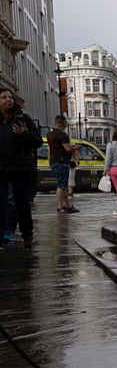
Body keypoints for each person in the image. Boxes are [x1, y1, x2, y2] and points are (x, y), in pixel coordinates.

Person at [0, 89, 41, 249]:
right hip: (2, 168)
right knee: (3, 203)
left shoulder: (23, 119)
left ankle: (27, 235)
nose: (8, 100)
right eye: (4, 97)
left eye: (10, 97)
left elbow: (37, 141)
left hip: (20, 168)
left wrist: (25, 133)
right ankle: (4, 235)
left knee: (21, 203)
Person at [46, 115, 78, 214]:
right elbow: (67, 149)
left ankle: (67, 206)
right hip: (62, 162)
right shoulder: (63, 135)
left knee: (63, 185)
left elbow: (52, 148)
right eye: (65, 123)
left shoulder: (49, 134)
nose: (66, 125)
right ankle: (60, 207)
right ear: (61, 123)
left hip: (54, 161)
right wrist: (75, 148)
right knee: (61, 185)